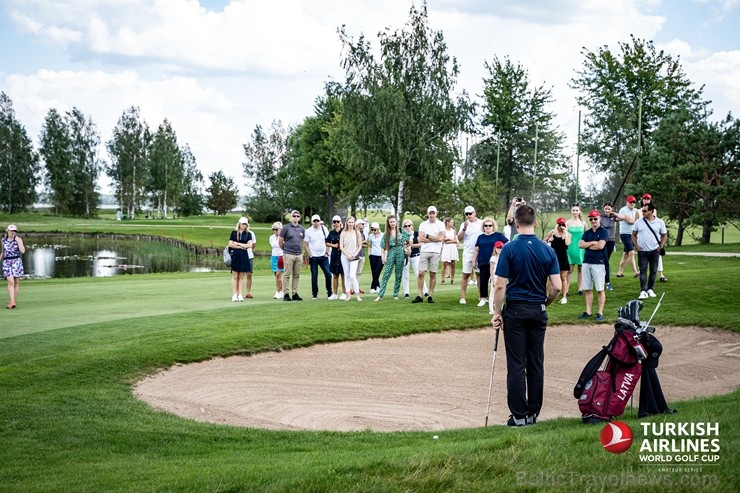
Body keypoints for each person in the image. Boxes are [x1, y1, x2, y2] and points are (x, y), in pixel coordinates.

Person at [492, 205, 561, 427]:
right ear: (536, 223)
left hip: (515, 311)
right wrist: (545, 303)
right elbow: (557, 287)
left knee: (516, 364)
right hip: (537, 311)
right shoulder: (548, 250)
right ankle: (533, 413)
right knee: (536, 362)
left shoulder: (510, 249)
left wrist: (496, 312)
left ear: (516, 223)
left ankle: (519, 415)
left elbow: (500, 286)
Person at [632, 202, 667, 300]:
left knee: (653, 271)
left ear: (651, 211)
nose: (642, 212)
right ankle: (643, 290)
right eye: (642, 211)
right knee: (642, 271)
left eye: (645, 211)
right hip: (642, 251)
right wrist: (637, 246)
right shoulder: (638, 222)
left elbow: (664, 235)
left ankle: (650, 289)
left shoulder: (660, 222)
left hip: (655, 250)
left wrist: (661, 245)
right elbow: (633, 235)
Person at [578, 210, 608, 322]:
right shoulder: (587, 232)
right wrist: (592, 243)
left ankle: (600, 313)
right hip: (586, 262)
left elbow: (600, 246)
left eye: (595, 218)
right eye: (591, 219)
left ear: (599, 219)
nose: (593, 221)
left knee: (600, 289)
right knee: (587, 288)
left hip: (598, 263)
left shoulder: (603, 231)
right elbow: (580, 244)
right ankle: (588, 311)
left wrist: (588, 244)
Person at [471, 218, 507, 308]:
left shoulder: (499, 235)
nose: (488, 227)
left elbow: (507, 244)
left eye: (490, 225)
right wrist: (473, 260)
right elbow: (476, 249)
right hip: (483, 261)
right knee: (483, 281)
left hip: (496, 262)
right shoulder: (480, 237)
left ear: (493, 226)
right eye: (485, 225)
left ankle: (497, 299)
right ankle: (483, 298)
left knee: (496, 281)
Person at [374, 216, 410, 301]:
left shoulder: (402, 231)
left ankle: (395, 294)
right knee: (386, 273)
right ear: (388, 223)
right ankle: (380, 295)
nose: (392, 223)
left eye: (394, 221)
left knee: (398, 274)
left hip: (400, 252)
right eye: (391, 222)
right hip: (391, 252)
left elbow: (407, 243)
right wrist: (383, 257)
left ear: (396, 222)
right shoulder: (386, 234)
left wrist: (407, 249)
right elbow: (383, 247)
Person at [414, 206, 445, 304]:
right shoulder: (423, 224)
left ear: (436, 213)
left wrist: (427, 236)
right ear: (427, 214)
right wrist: (433, 238)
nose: (431, 215)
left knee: (433, 273)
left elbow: (441, 238)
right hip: (424, 250)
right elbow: (420, 238)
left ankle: (430, 295)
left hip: (435, 251)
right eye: (430, 213)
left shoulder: (440, 224)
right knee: (421, 273)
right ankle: (420, 295)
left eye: (433, 213)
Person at [457, 205, 483, 304]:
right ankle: (462, 297)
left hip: (479, 251)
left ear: (474, 213)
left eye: (470, 213)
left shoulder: (481, 223)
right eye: (467, 214)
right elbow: (459, 238)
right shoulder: (464, 224)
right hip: (468, 252)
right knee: (466, 274)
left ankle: (481, 297)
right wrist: (464, 228)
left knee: (479, 274)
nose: (469, 215)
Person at [304, 214, 333, 300]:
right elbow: (305, 244)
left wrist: (327, 252)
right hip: (313, 257)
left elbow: (328, 241)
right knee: (314, 276)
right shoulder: (308, 231)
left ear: (320, 221)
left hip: (323, 256)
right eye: (314, 221)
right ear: (312, 222)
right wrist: (310, 254)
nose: (316, 222)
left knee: (328, 274)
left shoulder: (324, 229)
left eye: (317, 221)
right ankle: (315, 294)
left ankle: (329, 293)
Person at [543, 217, 571, 304]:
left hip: (563, 257)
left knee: (563, 277)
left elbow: (567, 243)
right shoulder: (552, 233)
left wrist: (565, 233)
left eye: (563, 225)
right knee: (551, 278)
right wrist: (549, 241)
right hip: (553, 257)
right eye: (559, 225)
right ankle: (546, 295)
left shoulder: (568, 234)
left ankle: (564, 297)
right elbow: (543, 242)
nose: (561, 226)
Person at [279, 210, 305, 301]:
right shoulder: (286, 228)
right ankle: (286, 294)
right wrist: (285, 250)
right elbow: (280, 241)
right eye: (294, 216)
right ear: (291, 217)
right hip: (288, 254)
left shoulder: (301, 228)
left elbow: (302, 241)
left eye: (297, 216)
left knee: (296, 275)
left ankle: (294, 293)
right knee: (287, 274)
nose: (296, 218)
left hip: (298, 254)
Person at [641, 193, 668, 282]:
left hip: (653, 238)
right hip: (643, 237)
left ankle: (660, 274)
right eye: (644, 199)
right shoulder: (639, 210)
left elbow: (653, 220)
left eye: (648, 199)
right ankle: (642, 275)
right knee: (643, 259)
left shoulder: (653, 210)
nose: (646, 200)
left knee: (657, 256)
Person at [228, 217, 254, 302]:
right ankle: (234, 294)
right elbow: (230, 244)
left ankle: (240, 294)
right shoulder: (234, 233)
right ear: (239, 223)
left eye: (245, 224)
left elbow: (250, 245)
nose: (244, 225)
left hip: (244, 255)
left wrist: (238, 244)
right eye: (242, 224)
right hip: (235, 255)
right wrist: (242, 246)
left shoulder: (248, 234)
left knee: (242, 275)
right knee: (235, 275)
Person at [401, 220, 427, 299]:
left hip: (415, 256)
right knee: (406, 275)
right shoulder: (402, 235)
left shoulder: (416, 233)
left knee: (419, 274)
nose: (407, 227)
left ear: (412, 226)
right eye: (405, 226)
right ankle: (406, 293)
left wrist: (411, 245)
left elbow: (421, 244)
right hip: (406, 256)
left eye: (409, 225)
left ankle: (425, 291)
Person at [339, 216, 363, 302]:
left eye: (352, 222)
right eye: (349, 222)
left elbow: (360, 245)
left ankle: (357, 294)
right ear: (346, 223)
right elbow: (341, 246)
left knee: (353, 275)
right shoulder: (343, 232)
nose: (351, 224)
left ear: (354, 223)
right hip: (345, 255)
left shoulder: (357, 232)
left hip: (354, 255)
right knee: (347, 275)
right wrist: (347, 254)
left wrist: (354, 254)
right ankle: (348, 294)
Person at [615, 196, 640, 278]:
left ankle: (619, 272)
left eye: (633, 202)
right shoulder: (623, 210)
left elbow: (638, 221)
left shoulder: (637, 210)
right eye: (630, 202)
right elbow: (630, 221)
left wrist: (635, 221)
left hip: (633, 234)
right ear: (627, 202)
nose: (632, 204)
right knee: (631, 252)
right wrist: (635, 220)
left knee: (625, 254)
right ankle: (636, 272)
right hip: (625, 234)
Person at [2, 224, 25, 309]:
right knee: (10, 281)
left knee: (16, 283)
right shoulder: (3, 240)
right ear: (7, 231)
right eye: (11, 230)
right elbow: (3, 252)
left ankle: (12, 301)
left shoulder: (18, 239)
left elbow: (22, 251)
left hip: (16, 262)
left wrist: (19, 242)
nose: (13, 232)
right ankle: (12, 301)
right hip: (7, 262)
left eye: (14, 231)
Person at [566, 204, 587, 295]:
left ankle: (580, 289)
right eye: (573, 210)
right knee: (569, 270)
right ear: (571, 211)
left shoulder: (583, 223)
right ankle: (566, 290)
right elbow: (565, 235)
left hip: (581, 249)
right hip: (570, 248)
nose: (575, 212)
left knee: (580, 269)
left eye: (576, 210)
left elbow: (587, 235)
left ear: (579, 211)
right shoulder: (567, 223)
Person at [326, 215, 346, 300]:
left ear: (340, 222)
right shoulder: (331, 233)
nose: (336, 223)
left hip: (343, 255)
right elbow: (327, 243)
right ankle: (335, 293)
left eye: (337, 221)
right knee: (335, 275)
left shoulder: (344, 232)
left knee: (343, 275)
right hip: (334, 255)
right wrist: (333, 245)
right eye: (334, 222)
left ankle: (344, 292)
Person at [600, 202, 618, 291]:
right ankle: (607, 282)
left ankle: (605, 280)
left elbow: (623, 218)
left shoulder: (613, 217)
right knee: (604, 261)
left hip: (610, 241)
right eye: (606, 208)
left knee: (605, 261)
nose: (607, 210)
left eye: (609, 209)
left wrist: (612, 213)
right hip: (602, 241)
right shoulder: (600, 217)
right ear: (603, 208)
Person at [440, 217, 459, 284]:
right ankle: (443, 279)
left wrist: (449, 240)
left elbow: (455, 240)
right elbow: (445, 241)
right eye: (451, 222)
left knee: (453, 263)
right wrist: (452, 241)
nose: (452, 223)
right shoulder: (443, 231)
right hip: (446, 248)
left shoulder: (453, 230)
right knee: (445, 264)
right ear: (447, 223)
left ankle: (452, 279)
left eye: (453, 222)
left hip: (453, 248)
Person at [487, 241, 504, 315]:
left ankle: (501, 308)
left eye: (501, 247)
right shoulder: (493, 258)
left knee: (501, 293)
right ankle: (491, 309)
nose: (499, 249)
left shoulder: (503, 257)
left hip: (502, 278)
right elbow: (491, 269)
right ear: (495, 248)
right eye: (498, 247)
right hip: (495, 277)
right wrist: (493, 280)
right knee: (493, 293)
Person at [269, 221, 284, 299]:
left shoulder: (283, 237)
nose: (275, 231)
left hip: (281, 256)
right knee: (277, 276)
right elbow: (272, 247)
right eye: (273, 229)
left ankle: (278, 291)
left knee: (279, 275)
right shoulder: (271, 237)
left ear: (280, 229)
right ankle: (280, 290)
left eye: (276, 229)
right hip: (274, 257)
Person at [367, 222, 384, 293]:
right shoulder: (371, 236)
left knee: (377, 272)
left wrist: (384, 255)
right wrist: (369, 254)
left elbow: (385, 246)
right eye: (372, 230)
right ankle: (377, 287)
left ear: (378, 229)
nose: (373, 231)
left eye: (375, 230)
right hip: (373, 255)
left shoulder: (383, 235)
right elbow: (370, 245)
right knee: (374, 272)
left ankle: (373, 287)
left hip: (380, 255)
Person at [354, 218, 367, 294]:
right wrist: (362, 242)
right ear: (358, 225)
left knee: (359, 272)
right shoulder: (354, 233)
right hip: (356, 255)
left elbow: (364, 245)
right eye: (362, 224)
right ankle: (352, 288)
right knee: (353, 273)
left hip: (362, 254)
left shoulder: (362, 233)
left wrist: (364, 243)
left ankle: (357, 287)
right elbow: (355, 243)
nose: (363, 225)